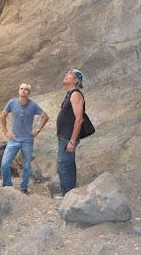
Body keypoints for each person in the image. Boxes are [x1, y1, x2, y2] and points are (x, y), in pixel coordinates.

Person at [0, 83, 49, 194]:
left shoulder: (33, 105)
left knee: (27, 165)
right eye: (21, 89)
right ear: (18, 91)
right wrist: (6, 131)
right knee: (5, 163)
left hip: (27, 140)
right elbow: (2, 116)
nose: (23, 91)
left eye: (26, 89)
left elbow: (45, 116)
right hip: (14, 139)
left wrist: (37, 130)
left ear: (29, 93)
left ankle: (24, 187)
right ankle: (7, 185)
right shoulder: (12, 103)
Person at [56, 68, 85, 196]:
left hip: (68, 138)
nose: (66, 76)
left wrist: (72, 141)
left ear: (76, 80)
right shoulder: (70, 94)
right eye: (66, 74)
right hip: (64, 137)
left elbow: (79, 119)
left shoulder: (76, 94)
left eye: (69, 75)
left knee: (65, 167)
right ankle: (67, 195)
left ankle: (68, 197)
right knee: (64, 166)